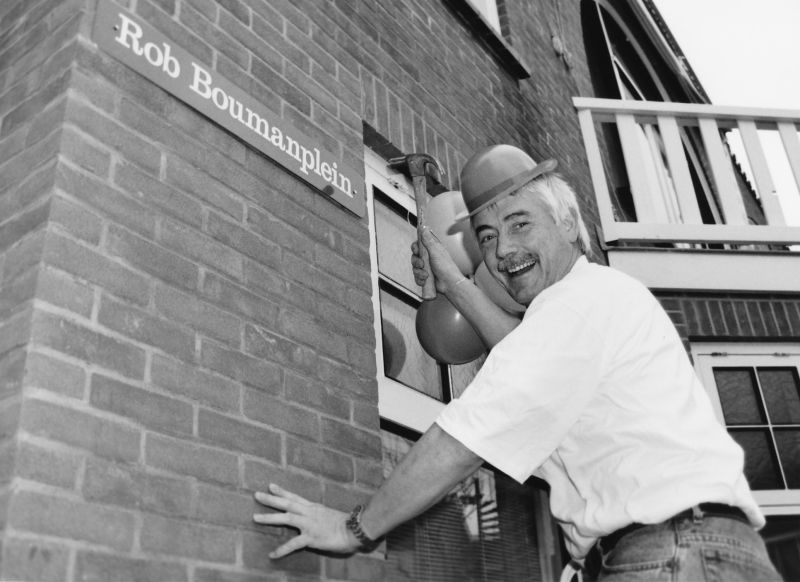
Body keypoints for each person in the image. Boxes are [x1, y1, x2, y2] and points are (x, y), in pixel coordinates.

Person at [253, 144, 782, 581]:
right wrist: (453, 282)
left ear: (568, 223)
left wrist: (354, 529)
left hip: (675, 555)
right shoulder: (589, 303)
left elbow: (466, 439)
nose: (503, 249)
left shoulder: (576, 303)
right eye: (487, 236)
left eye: (520, 223)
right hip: (693, 551)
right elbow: (519, 349)